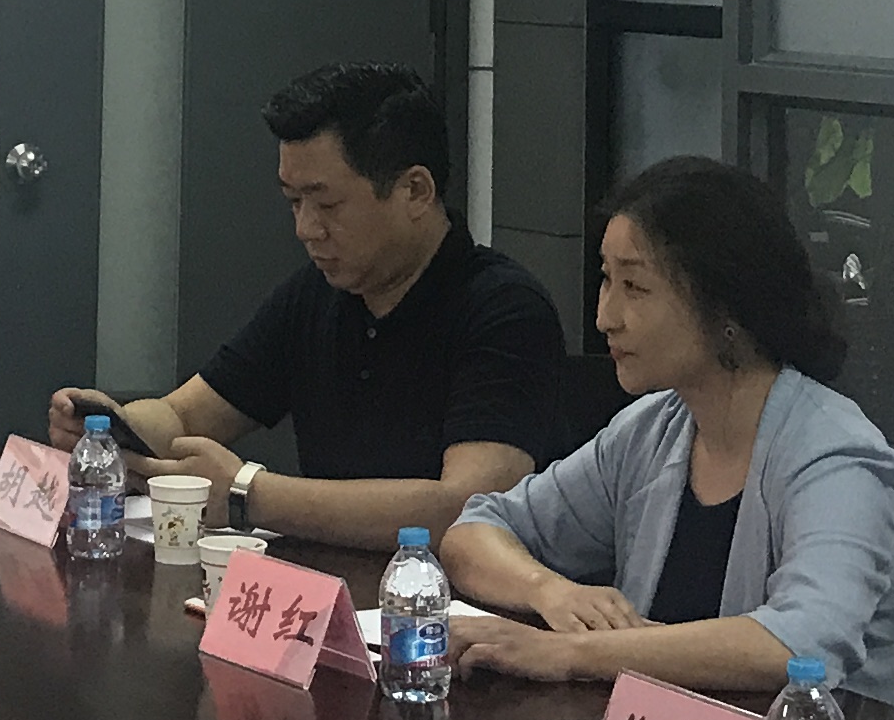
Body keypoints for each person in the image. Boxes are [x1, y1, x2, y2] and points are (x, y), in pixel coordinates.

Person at [436, 156, 894, 712]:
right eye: (606, 279)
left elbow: (800, 643)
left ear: (725, 307)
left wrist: (573, 652)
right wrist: (548, 590)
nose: (605, 317)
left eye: (635, 286)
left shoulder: (837, 455)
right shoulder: (651, 430)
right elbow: (474, 531)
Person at [46, 63, 561, 549]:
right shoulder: (318, 294)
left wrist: (249, 493)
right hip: (327, 585)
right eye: (294, 202)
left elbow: (469, 507)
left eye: (327, 204)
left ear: (415, 191)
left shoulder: (504, 309)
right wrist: (110, 429)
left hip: (442, 601)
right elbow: (184, 415)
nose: (306, 229)